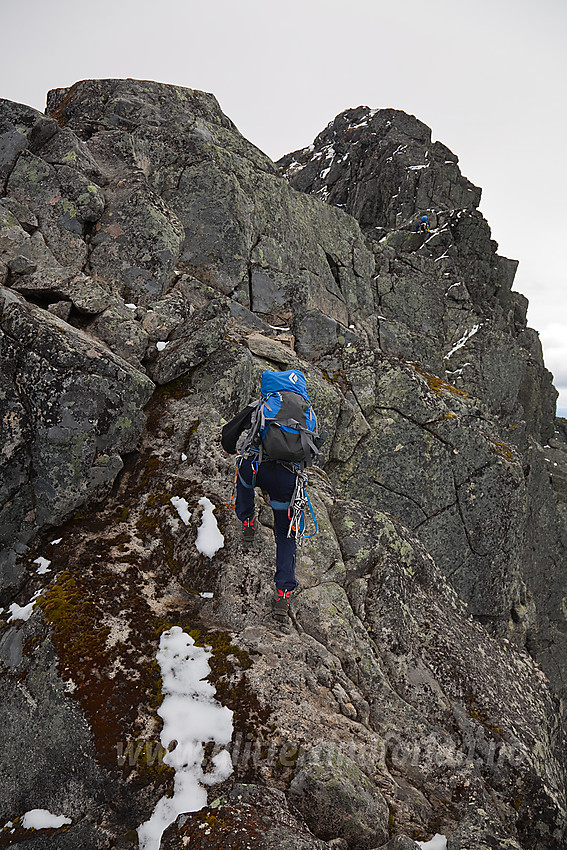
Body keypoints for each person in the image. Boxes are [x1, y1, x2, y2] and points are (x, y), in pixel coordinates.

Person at [221, 370, 319, 622]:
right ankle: (283, 593)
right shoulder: (307, 414)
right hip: (287, 479)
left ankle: (247, 521)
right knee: (286, 534)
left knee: (243, 477)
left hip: (257, 467)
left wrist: (233, 449)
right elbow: (314, 448)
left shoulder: (261, 406)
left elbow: (228, 436)